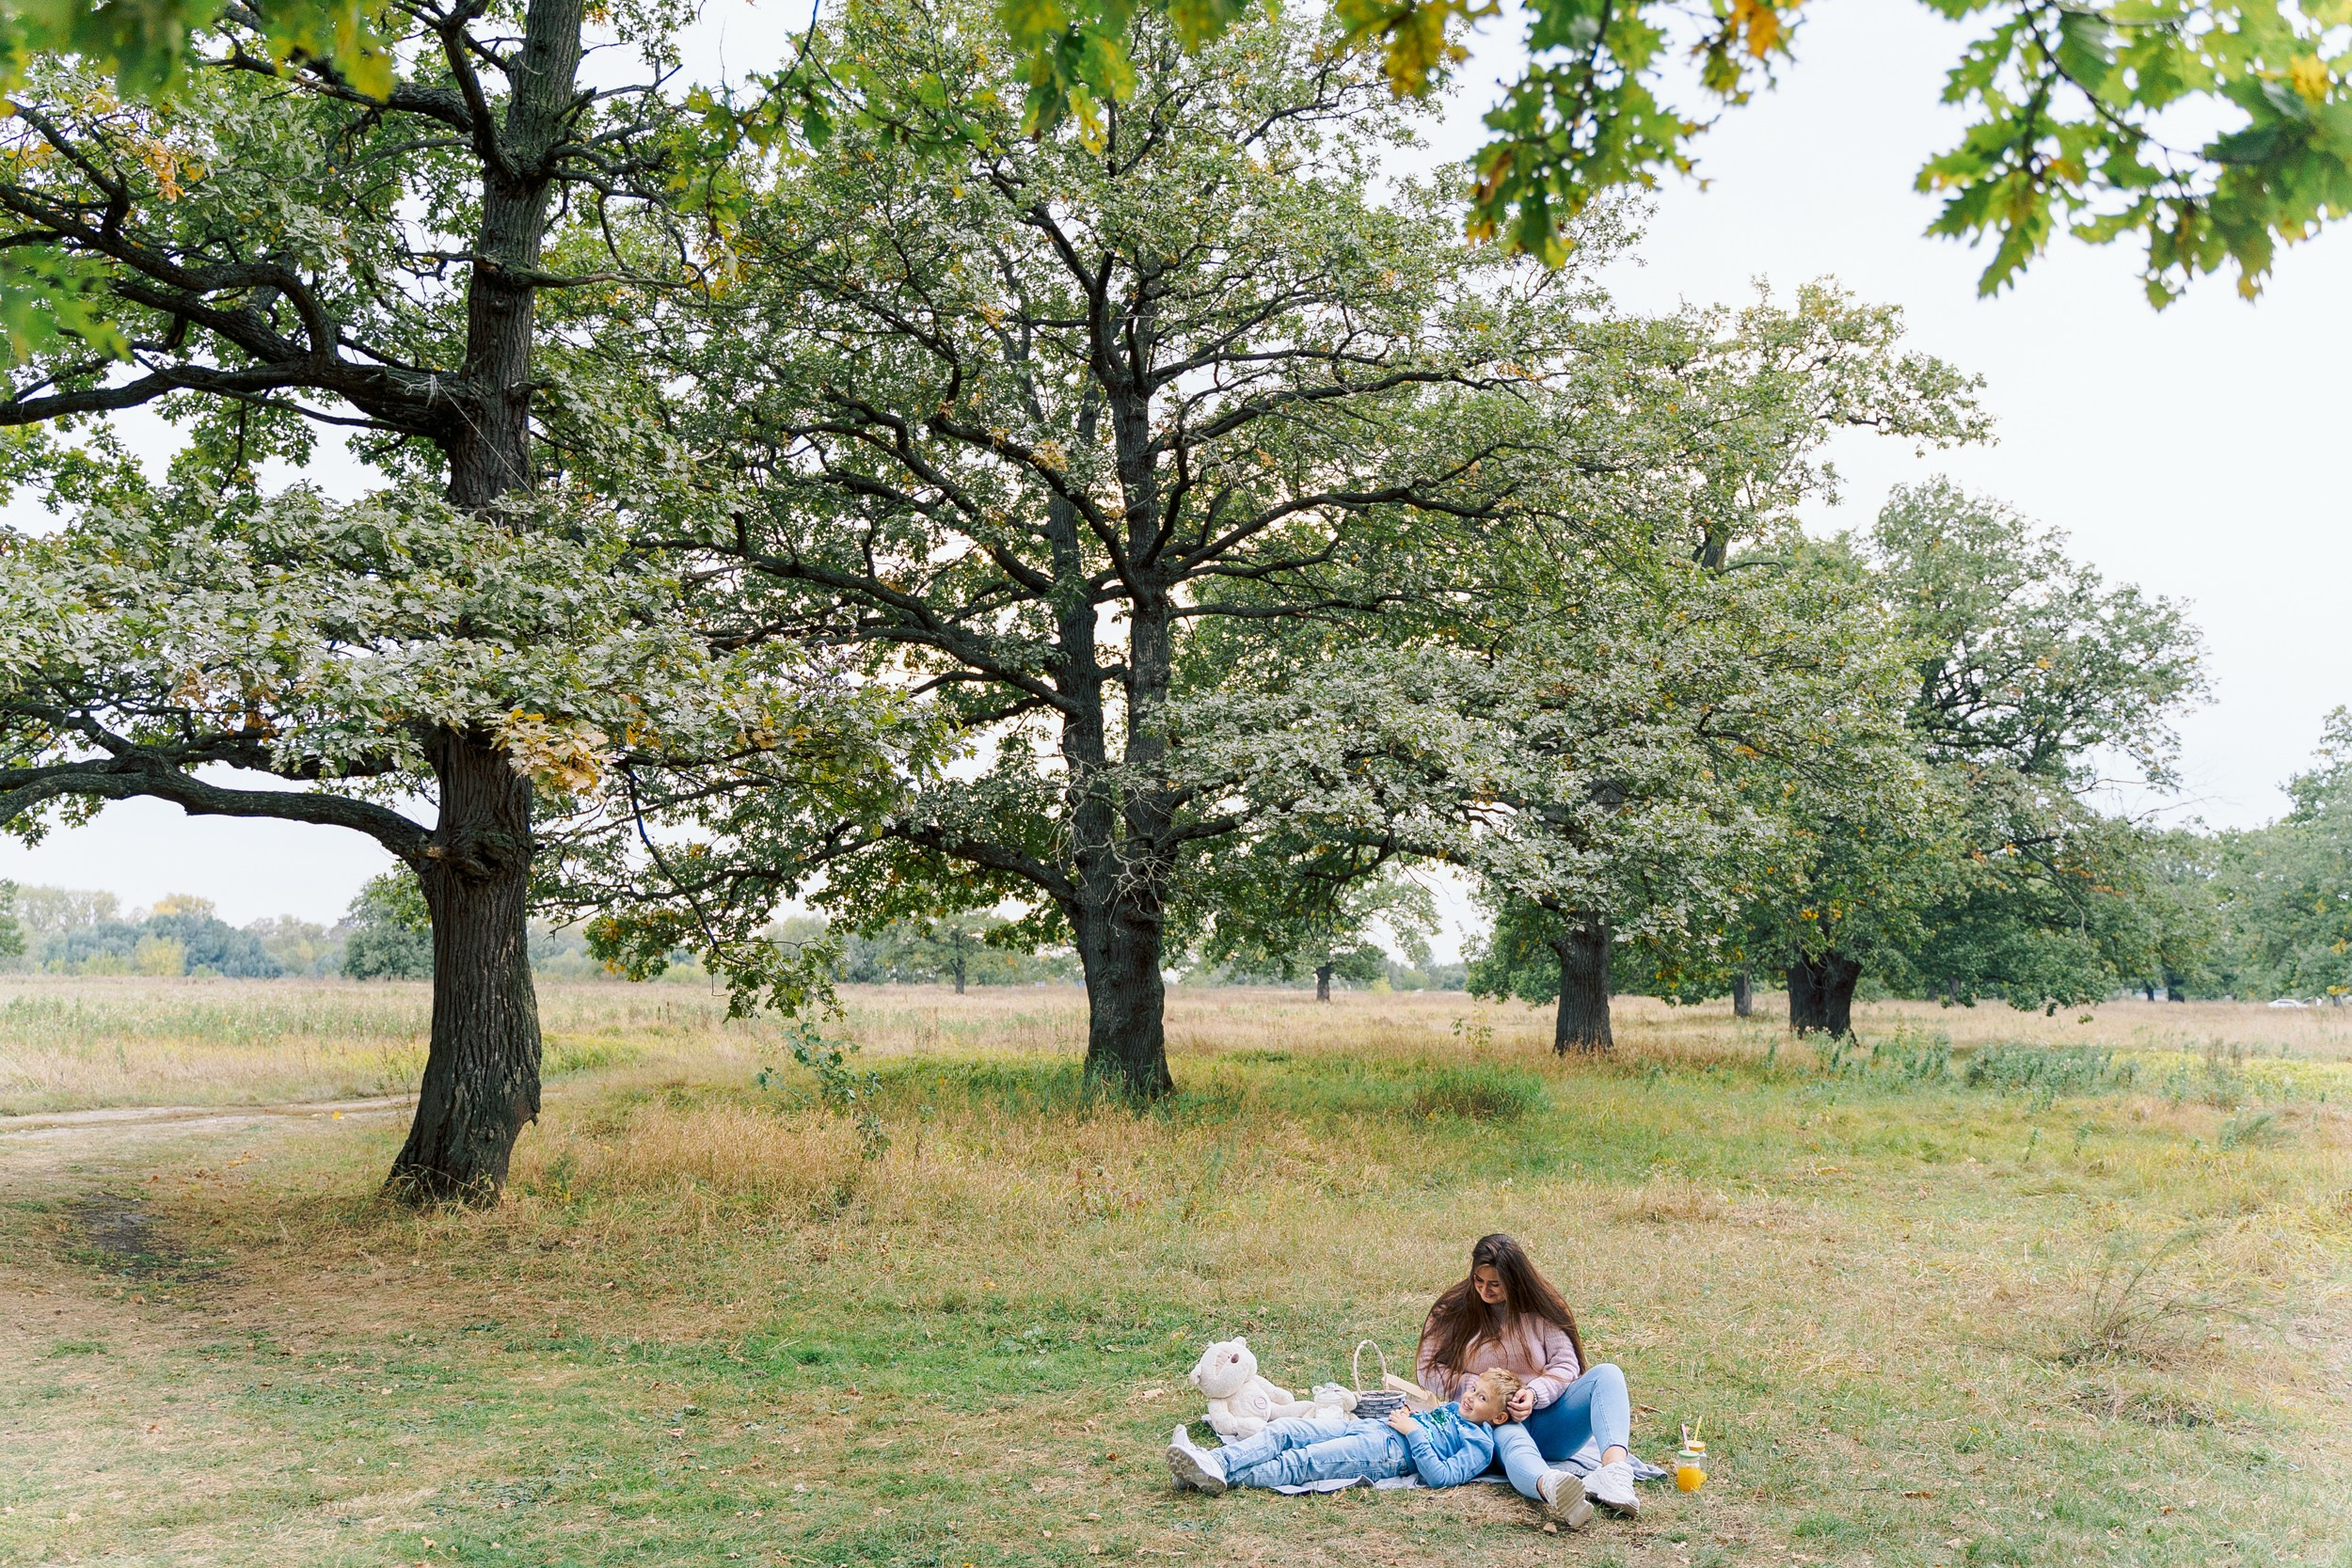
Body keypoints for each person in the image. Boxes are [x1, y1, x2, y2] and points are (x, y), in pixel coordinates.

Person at [1417, 1232, 1642, 1522]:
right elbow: (1427, 1368)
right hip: (1492, 1424)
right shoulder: (1452, 1309)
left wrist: (1533, 1394)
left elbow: (1565, 1364)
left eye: (1496, 1284)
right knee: (1513, 1441)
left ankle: (1613, 1475)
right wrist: (1480, 1391)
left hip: (1548, 1421)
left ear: (1515, 1280)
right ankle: (1552, 1488)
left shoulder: (1540, 1308)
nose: (1485, 1291)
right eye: (1478, 1281)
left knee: (1608, 1375)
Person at [1166, 1369, 1520, 1494]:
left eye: (1482, 1398)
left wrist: (1413, 1432)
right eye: (1473, 1389)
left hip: (1385, 1455)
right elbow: (1428, 1422)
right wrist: (1410, 1415)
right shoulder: (1452, 1409)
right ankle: (1212, 1461)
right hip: (1370, 1428)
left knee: (1301, 1462)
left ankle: (1208, 1475)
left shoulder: (1480, 1444)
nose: (1470, 1397)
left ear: (1499, 1417)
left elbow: (1441, 1477)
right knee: (1286, 1429)